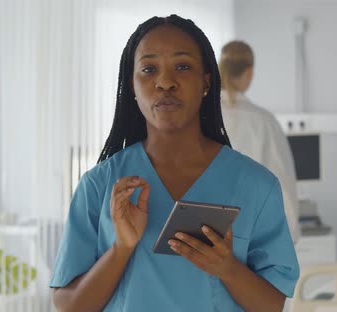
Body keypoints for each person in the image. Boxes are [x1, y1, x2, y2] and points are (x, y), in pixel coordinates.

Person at [50, 15, 298, 312]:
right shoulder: (100, 185)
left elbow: (272, 305)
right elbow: (68, 306)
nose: (165, 82)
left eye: (182, 67)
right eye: (149, 69)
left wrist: (228, 268)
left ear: (206, 81)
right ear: (131, 85)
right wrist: (121, 249)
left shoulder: (257, 186)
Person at [219, 40, 300, 243]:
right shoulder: (263, 121)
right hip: (248, 234)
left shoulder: (197, 116)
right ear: (249, 72)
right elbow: (282, 183)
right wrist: (291, 236)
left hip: (198, 233)